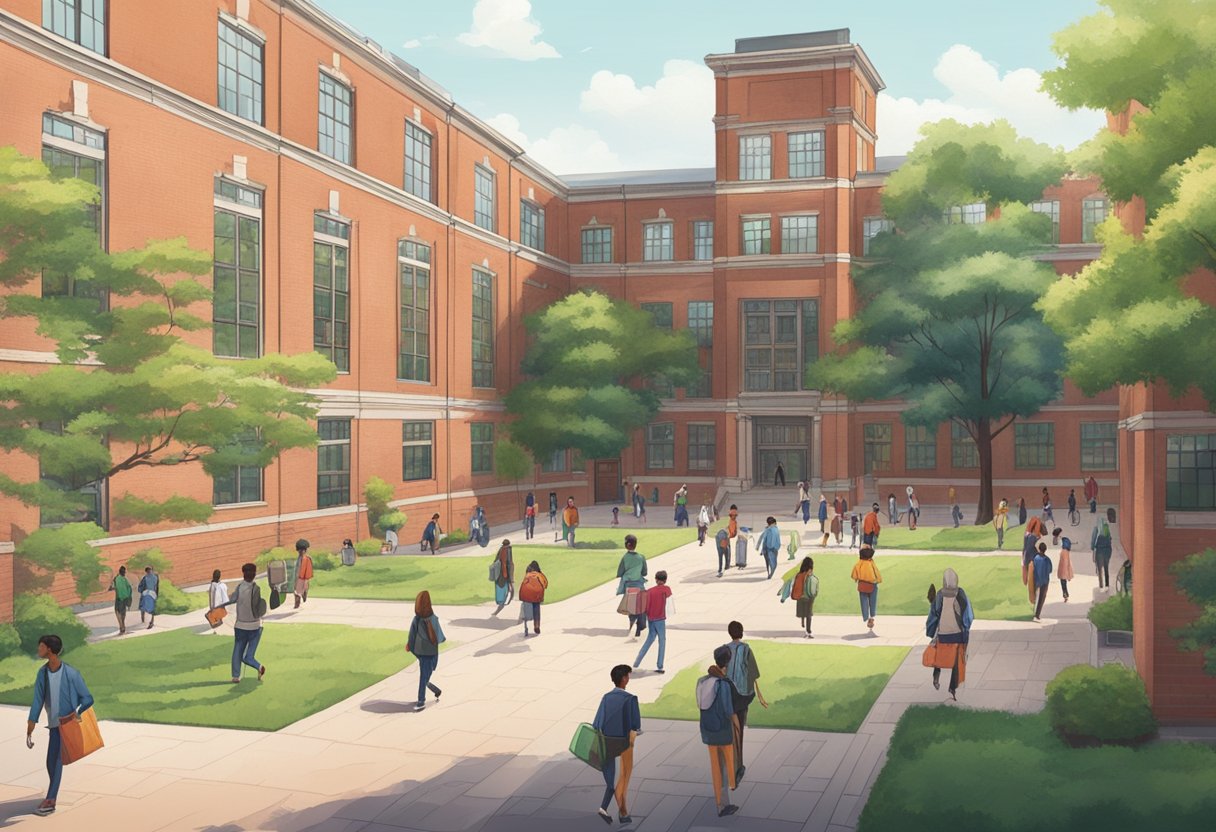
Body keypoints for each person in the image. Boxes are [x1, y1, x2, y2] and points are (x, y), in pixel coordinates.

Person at [24, 634, 94, 817]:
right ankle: (52, 794)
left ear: (49, 650)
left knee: (56, 761)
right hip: (54, 725)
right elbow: (38, 699)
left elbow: (88, 698)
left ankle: (50, 800)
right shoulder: (43, 673)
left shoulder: (71, 674)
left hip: (66, 724)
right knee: (50, 761)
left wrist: (76, 712)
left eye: (41, 646)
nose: (38, 649)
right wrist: (32, 721)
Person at [592, 664, 640, 825]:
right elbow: (635, 726)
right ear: (624, 679)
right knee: (625, 775)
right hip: (624, 742)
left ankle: (607, 808)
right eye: (628, 676)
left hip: (606, 742)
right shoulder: (630, 699)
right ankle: (623, 812)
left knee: (611, 780)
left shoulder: (606, 698)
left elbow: (597, 723)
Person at [698, 645, 741, 818]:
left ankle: (720, 804)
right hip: (723, 731)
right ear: (728, 662)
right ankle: (729, 793)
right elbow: (729, 711)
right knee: (729, 767)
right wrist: (737, 727)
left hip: (708, 731)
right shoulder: (723, 684)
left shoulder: (701, 681)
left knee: (716, 769)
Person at [723, 621, 768, 785]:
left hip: (726, 695)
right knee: (738, 732)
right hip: (741, 697)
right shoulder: (746, 649)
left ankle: (729, 765)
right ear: (741, 632)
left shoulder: (724, 649)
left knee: (728, 732)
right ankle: (737, 767)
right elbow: (754, 672)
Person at [925, 568, 973, 700]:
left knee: (939, 655)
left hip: (943, 635)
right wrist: (966, 630)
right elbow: (968, 616)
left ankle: (936, 675)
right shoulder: (961, 593)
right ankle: (952, 688)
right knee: (957, 660)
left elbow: (934, 615)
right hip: (957, 635)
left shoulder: (940, 595)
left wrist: (931, 631)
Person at [225, 562, 266, 683]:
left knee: (238, 651)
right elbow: (260, 607)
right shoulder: (257, 588)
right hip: (255, 626)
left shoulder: (239, 587)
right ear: (254, 575)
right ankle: (258, 667)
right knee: (248, 656)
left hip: (241, 625)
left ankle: (236, 676)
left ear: (244, 574)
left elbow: (232, 600)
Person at [407, 590, 445, 709]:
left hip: (419, 651)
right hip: (431, 652)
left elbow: (412, 635)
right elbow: (439, 638)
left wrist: (410, 645)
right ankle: (421, 701)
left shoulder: (416, 619)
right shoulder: (433, 619)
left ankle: (435, 690)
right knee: (425, 675)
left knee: (425, 674)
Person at [633, 570, 672, 672]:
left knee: (650, 639)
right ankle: (660, 665)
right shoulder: (666, 589)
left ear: (656, 579)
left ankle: (636, 662)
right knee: (662, 641)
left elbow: (646, 606)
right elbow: (668, 596)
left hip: (651, 618)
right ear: (665, 580)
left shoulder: (649, 591)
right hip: (660, 619)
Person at [616, 534, 649, 638]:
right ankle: (641, 624)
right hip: (640, 585)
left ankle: (632, 622)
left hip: (629, 585)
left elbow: (620, 572)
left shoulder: (625, 558)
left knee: (631, 607)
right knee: (642, 606)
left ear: (627, 545)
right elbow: (644, 572)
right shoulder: (641, 557)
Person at [852, 546, 882, 630]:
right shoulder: (871, 563)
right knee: (873, 602)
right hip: (872, 584)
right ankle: (872, 616)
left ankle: (867, 617)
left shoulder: (859, 564)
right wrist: (878, 580)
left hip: (862, 585)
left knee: (864, 602)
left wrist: (857, 579)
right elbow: (876, 573)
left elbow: (854, 575)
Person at [791, 556, 819, 637]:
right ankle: (808, 631)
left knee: (803, 611)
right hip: (809, 597)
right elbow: (813, 585)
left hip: (801, 596)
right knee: (809, 614)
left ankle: (803, 621)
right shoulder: (810, 574)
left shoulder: (799, 575)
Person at [518, 560, 547, 636]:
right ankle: (536, 625)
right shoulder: (539, 574)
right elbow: (545, 584)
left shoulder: (528, 574)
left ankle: (526, 626)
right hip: (537, 595)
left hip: (527, 595)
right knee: (536, 608)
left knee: (526, 608)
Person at [1022, 516, 1046, 604]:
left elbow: (1025, 551)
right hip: (1032, 562)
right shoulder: (1032, 538)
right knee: (1034, 585)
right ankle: (1034, 600)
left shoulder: (1027, 536)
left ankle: (1033, 599)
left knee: (1032, 585)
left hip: (1028, 561)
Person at [491, 540, 514, 615]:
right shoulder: (507, 550)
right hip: (504, 574)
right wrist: (511, 578)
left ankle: (501, 602)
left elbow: (496, 561)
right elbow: (509, 563)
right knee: (505, 589)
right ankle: (502, 602)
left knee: (502, 588)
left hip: (500, 573)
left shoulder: (502, 550)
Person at [108, 565, 132, 635]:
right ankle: (123, 626)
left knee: (117, 611)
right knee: (123, 613)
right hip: (125, 598)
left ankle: (121, 626)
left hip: (119, 599)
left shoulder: (116, 579)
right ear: (124, 572)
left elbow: (111, 588)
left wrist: (112, 588)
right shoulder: (125, 580)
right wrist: (128, 597)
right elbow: (129, 588)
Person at [1033, 542, 1053, 621]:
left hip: (1037, 579)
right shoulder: (1047, 559)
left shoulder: (1036, 558)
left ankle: (1033, 611)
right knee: (1042, 597)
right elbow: (1050, 570)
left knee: (1034, 596)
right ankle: (1037, 614)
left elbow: (1033, 568)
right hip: (1045, 580)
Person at [1092, 517, 1113, 590]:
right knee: (1106, 568)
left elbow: (1093, 539)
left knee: (1100, 569)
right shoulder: (1107, 528)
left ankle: (1101, 586)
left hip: (1099, 551)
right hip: (1107, 551)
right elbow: (1110, 539)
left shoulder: (1096, 529)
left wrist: (1093, 548)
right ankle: (1107, 585)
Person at [293, 538, 314, 609]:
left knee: (297, 592)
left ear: (305, 550)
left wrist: (305, 580)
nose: (300, 552)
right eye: (299, 550)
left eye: (302, 550)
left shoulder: (306, 559)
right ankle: (298, 602)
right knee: (297, 592)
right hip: (298, 578)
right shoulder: (299, 558)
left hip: (302, 578)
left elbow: (307, 570)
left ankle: (297, 604)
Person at [207, 569, 229, 635]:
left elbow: (212, 598)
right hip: (220, 605)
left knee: (219, 619)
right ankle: (218, 631)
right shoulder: (219, 585)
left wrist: (212, 608)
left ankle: (219, 631)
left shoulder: (214, 586)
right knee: (220, 619)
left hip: (217, 606)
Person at [137, 565, 159, 629]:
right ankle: (150, 621)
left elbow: (140, 587)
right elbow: (157, 587)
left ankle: (144, 620)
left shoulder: (145, 578)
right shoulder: (155, 577)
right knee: (152, 607)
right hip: (152, 593)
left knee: (143, 606)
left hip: (148, 593)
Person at [1058, 534, 1074, 602]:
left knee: (1063, 584)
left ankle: (1065, 595)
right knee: (1064, 584)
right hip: (1064, 571)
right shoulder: (1066, 551)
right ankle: (1065, 595)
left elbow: (1065, 562)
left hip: (1063, 571)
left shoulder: (1063, 552)